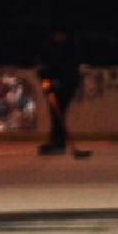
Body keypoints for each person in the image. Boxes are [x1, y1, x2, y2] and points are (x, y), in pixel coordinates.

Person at [36, 24, 82, 155]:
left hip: (64, 87)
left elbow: (68, 70)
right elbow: (43, 68)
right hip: (53, 85)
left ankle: (58, 143)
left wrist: (59, 82)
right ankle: (56, 142)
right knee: (55, 115)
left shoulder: (68, 49)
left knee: (58, 115)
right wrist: (47, 83)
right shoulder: (51, 47)